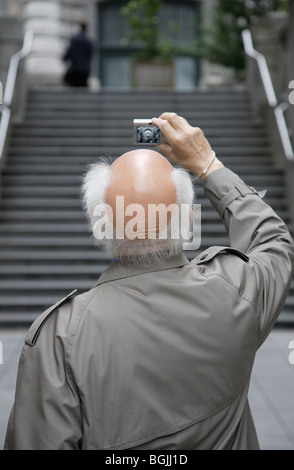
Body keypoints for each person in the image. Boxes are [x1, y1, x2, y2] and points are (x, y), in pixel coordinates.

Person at [4, 113, 294, 450]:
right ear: (188, 220)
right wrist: (207, 163)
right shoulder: (237, 292)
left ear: (102, 225)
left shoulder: (61, 336)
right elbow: (273, 241)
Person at [63, 22, 93, 87]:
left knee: (73, 86)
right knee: (82, 87)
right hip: (85, 69)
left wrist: (65, 59)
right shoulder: (88, 41)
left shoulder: (75, 39)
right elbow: (91, 54)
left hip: (75, 68)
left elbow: (69, 51)